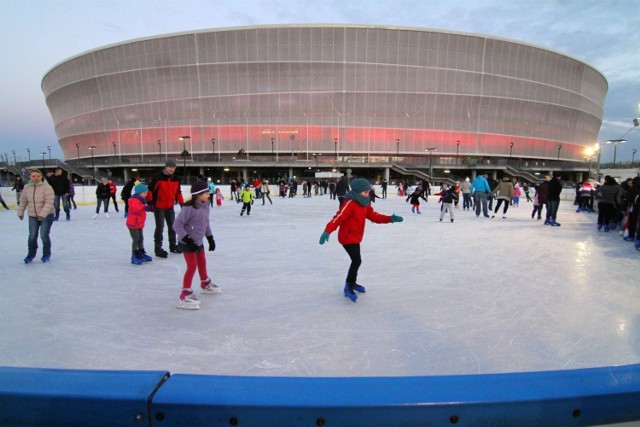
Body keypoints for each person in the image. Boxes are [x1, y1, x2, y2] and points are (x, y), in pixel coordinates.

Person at [319, 178, 403, 302]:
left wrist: (390, 219)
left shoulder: (365, 203)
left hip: (356, 237)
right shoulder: (350, 203)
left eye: (368, 192)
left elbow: (374, 216)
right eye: (365, 192)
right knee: (357, 260)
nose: (367, 194)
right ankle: (349, 285)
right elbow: (338, 218)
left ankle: (352, 282)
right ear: (357, 192)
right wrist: (327, 230)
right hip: (347, 237)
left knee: (357, 260)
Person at [172, 180, 220, 310]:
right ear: (198, 195)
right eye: (205, 193)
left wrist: (210, 237)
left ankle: (205, 283)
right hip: (187, 243)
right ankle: (185, 294)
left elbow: (206, 223)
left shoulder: (205, 206)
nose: (208, 195)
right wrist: (187, 239)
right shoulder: (188, 208)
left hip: (198, 241)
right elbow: (176, 225)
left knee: (202, 262)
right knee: (192, 266)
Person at [147, 159, 184, 257]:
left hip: (169, 206)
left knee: (172, 226)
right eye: (170, 167)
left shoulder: (176, 179)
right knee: (160, 227)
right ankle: (158, 248)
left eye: (173, 167)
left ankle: (173, 246)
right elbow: (150, 191)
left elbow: (178, 192)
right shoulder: (157, 177)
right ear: (165, 167)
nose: (171, 169)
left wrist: (182, 203)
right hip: (159, 206)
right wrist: (150, 203)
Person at [17, 169, 55, 263]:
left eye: (38, 176)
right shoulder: (27, 187)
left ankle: (46, 254)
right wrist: (20, 212)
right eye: (33, 176)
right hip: (32, 215)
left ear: (41, 177)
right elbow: (23, 201)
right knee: (32, 236)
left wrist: (42, 214)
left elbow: (49, 202)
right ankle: (30, 255)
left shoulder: (47, 187)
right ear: (30, 177)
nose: (36, 178)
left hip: (47, 215)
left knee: (43, 235)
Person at [126, 183, 153, 265]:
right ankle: (134, 255)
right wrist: (145, 208)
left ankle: (141, 253)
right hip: (133, 223)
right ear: (139, 193)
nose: (146, 194)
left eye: (146, 192)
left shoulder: (142, 200)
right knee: (136, 239)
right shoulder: (133, 200)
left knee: (141, 238)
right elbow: (135, 209)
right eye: (144, 193)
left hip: (139, 223)